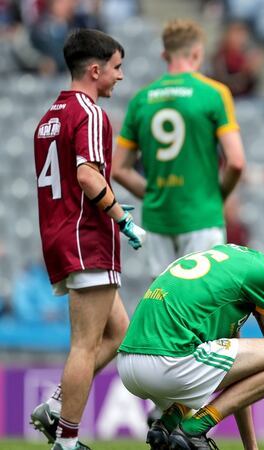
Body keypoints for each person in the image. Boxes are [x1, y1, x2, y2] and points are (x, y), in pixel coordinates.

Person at [30, 29, 146, 450]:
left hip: (61, 235)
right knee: (85, 344)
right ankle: (67, 441)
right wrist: (124, 220)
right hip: (86, 238)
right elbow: (87, 174)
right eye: (116, 68)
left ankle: (57, 406)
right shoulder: (90, 113)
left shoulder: (51, 116)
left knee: (119, 334)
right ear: (95, 70)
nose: (120, 76)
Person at [117, 243, 264, 450]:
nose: (263, 317)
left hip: (129, 363)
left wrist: (251, 447)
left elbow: (240, 374)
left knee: (217, 364)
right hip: (166, 362)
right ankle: (193, 428)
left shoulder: (231, 267)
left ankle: (168, 423)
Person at [112, 19, 246, 279]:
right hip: (201, 215)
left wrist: (153, 193)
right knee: (203, 306)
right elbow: (236, 162)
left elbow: (118, 169)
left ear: (164, 54)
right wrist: (218, 195)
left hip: (158, 218)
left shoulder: (142, 99)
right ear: (197, 53)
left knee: (164, 305)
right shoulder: (214, 93)